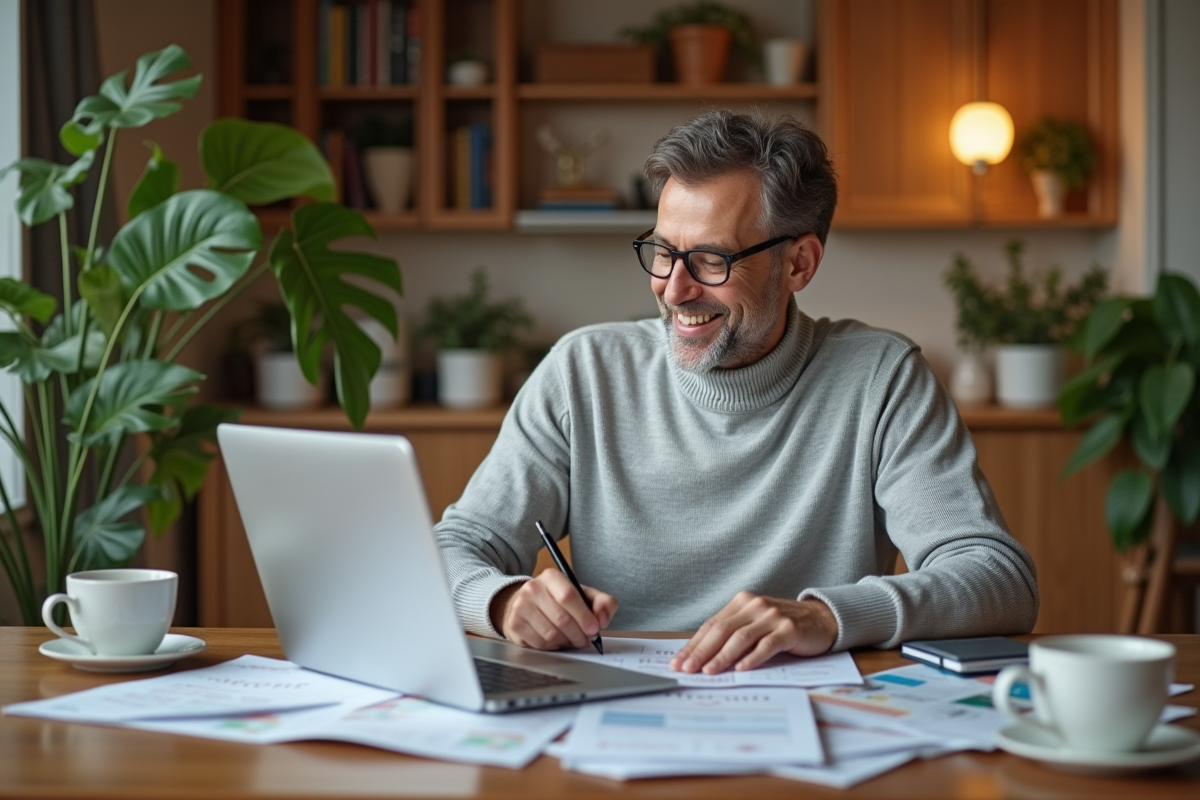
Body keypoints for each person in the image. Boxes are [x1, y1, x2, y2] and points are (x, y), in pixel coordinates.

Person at [434, 110, 1038, 676]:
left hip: (817, 719)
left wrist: (827, 616)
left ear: (799, 264)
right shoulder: (583, 371)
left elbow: (997, 579)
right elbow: (453, 547)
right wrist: (503, 602)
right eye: (663, 252)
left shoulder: (882, 379)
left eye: (710, 261)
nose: (673, 290)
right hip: (613, 710)